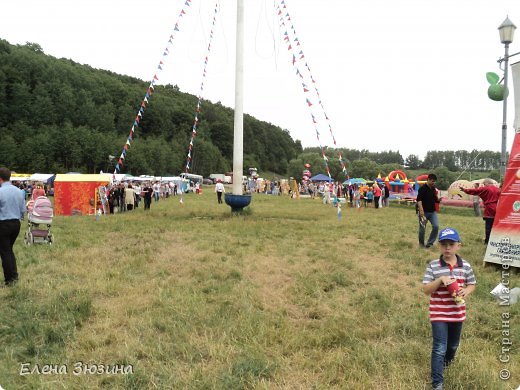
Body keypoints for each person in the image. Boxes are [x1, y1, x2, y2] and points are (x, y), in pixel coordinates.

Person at [422, 227, 476, 390]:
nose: (447, 248)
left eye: (451, 244)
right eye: (444, 244)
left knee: (452, 345)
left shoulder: (465, 266)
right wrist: (440, 280)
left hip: (457, 313)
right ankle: (437, 382)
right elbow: (426, 289)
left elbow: (472, 284)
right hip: (438, 313)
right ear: (439, 246)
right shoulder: (434, 266)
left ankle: (446, 363)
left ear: (458, 245)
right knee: (439, 347)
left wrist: (465, 290)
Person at [0, 167, 26, 286]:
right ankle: (14, 276)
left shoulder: (0, 192)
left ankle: (9, 280)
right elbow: (22, 210)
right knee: (9, 250)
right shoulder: (19, 191)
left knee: (5, 252)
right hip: (16, 224)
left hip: (3, 224)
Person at [460, 179, 501, 244]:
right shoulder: (498, 189)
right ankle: (495, 240)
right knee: (495, 226)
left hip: (489, 208)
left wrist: (465, 190)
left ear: (487, 183)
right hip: (497, 208)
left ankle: (487, 241)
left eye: (484, 184)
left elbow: (475, 191)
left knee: (488, 226)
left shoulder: (486, 188)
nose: (484, 185)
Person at [417, 173, 441, 248]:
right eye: (432, 181)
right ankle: (421, 244)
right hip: (423, 212)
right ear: (428, 180)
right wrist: (421, 210)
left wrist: (438, 199)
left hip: (432, 212)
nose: (433, 183)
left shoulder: (433, 188)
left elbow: (435, 199)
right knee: (422, 229)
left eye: (434, 181)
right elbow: (419, 200)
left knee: (436, 226)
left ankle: (429, 243)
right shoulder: (422, 188)